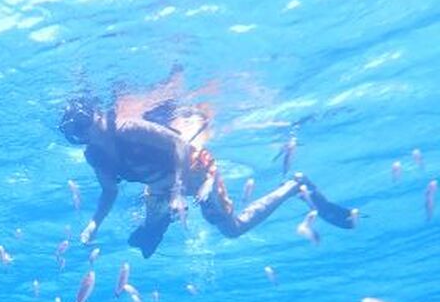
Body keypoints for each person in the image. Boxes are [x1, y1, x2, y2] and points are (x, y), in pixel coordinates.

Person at [58, 72, 357, 258]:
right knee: (150, 232)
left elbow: (180, 145)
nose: (88, 134)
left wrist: (178, 191)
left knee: (232, 229)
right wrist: (94, 224)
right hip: (161, 187)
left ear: (96, 113)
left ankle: (295, 186)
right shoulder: (95, 156)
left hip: (195, 172)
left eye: (85, 124)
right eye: (77, 134)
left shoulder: (129, 128)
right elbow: (108, 192)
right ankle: (159, 224)